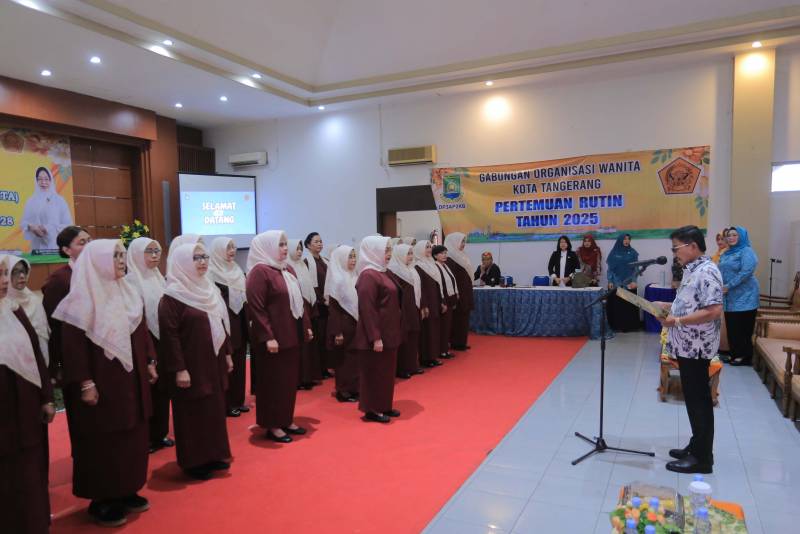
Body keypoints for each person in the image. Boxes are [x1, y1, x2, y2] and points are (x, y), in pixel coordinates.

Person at [52, 239, 157, 527]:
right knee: (104, 441)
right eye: (115, 256)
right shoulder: (80, 300)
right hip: (102, 384)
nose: (122, 260)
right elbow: (72, 349)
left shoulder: (129, 292)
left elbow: (142, 332)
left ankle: (127, 489)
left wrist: (149, 360)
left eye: (122, 255)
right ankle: (103, 499)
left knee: (132, 435)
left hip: (131, 381)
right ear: (97, 262)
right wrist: (85, 383)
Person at [160, 242, 233, 480]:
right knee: (193, 412)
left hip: (213, 360)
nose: (202, 262)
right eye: (196, 258)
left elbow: (220, 323)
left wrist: (227, 354)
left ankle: (214, 454)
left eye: (204, 257)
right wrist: (179, 369)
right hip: (191, 365)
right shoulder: (172, 296)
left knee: (213, 409)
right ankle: (194, 461)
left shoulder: (208, 289)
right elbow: (170, 337)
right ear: (181, 262)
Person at [658, 225, 723, 474]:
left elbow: (713, 310)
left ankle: (702, 459)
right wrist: (667, 306)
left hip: (696, 346)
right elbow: (691, 303)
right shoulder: (692, 270)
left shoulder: (707, 271)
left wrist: (676, 321)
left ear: (693, 246)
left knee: (699, 402)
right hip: (687, 345)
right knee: (694, 399)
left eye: (676, 248)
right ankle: (696, 446)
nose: (674, 253)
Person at [0, 254, 56, 534]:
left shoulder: (14, 310)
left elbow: (35, 353)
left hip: (25, 404)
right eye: (2, 275)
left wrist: (46, 396)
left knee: (30, 469)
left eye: (4, 274)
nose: (5, 281)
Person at [246, 231, 312, 443]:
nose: (284, 248)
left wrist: (306, 326)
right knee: (273, 383)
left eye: (285, 244)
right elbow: (257, 308)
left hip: (291, 334)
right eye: (280, 245)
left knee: (288, 382)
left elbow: (298, 300)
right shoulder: (259, 272)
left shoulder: (287, 269)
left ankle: (286, 419)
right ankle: (272, 424)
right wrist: (268, 336)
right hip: (273, 339)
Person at [125, 237, 174, 454]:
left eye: (157, 251)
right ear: (136, 254)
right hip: (144, 343)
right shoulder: (130, 282)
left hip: (162, 340)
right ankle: (145, 438)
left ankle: (160, 433)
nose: (155, 256)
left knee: (162, 389)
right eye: (149, 251)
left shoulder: (158, 278)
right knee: (147, 391)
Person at [352, 236, 402, 423]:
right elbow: (367, 309)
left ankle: (384, 405)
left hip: (389, 332)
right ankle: (372, 409)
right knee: (374, 372)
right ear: (373, 251)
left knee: (386, 373)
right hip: (375, 335)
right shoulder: (368, 275)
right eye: (385, 250)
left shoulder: (383, 272)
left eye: (390, 250)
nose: (389, 254)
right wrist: (375, 337)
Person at [208, 237, 250, 417]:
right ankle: (226, 403)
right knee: (227, 363)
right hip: (224, 322)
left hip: (239, 320)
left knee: (239, 362)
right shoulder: (211, 273)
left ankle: (238, 400)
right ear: (218, 250)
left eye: (233, 247)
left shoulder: (236, 270)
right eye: (228, 247)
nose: (232, 250)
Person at [42, 226, 91, 379]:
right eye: (82, 242)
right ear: (67, 250)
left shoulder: (99, 273)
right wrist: (58, 363)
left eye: (89, 241)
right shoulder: (60, 279)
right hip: (72, 353)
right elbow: (53, 322)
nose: (89, 246)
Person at [718, 226, 759, 366]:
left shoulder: (746, 251)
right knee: (732, 326)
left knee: (743, 326)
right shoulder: (727, 252)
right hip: (730, 296)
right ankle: (734, 353)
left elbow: (746, 271)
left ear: (741, 236)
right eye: (729, 235)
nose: (731, 238)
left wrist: (728, 286)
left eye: (735, 235)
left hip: (746, 295)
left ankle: (745, 356)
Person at [325, 246, 360, 402]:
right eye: (349, 257)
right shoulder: (337, 280)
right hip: (343, 324)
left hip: (356, 323)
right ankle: (343, 391)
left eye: (354, 256)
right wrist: (337, 332)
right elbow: (334, 310)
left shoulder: (355, 276)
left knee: (355, 358)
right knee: (344, 360)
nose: (353, 260)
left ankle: (355, 388)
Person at [288, 238, 322, 390]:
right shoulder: (287, 267)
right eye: (297, 248)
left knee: (309, 344)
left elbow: (309, 286)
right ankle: (298, 379)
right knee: (300, 344)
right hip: (296, 308)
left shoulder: (302, 265)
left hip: (308, 306)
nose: (300, 251)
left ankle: (308, 376)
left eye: (301, 248)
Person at [387, 243, 424, 379]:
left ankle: (413, 365)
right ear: (400, 255)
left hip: (414, 307)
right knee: (404, 338)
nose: (410, 256)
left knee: (413, 337)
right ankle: (403, 368)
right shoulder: (394, 271)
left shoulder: (412, 269)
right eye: (408, 253)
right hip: (403, 309)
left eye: (411, 253)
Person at [8, 256, 50, 367]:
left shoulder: (34, 300)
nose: (22, 276)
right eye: (15, 272)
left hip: (38, 360)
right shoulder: (3, 304)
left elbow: (43, 336)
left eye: (23, 271)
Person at [21, 166, 73, 251]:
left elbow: (68, 225)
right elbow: (23, 222)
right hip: (36, 247)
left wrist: (48, 228)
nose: (43, 182)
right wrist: (31, 227)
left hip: (55, 247)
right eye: (40, 179)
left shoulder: (59, 200)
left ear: (50, 180)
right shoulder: (31, 201)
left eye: (46, 179)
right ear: (36, 180)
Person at [304, 232, 331, 378]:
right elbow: (310, 285)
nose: (320, 244)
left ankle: (325, 367)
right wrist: (322, 299)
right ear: (308, 245)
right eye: (316, 242)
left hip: (327, 304)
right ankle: (319, 369)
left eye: (321, 241)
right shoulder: (307, 262)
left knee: (326, 337)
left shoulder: (325, 261)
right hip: (318, 305)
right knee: (319, 337)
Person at [414, 240, 443, 368]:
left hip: (435, 301)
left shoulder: (431, 263)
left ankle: (433, 356)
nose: (429, 249)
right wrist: (424, 305)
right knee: (427, 332)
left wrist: (441, 301)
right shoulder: (418, 266)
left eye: (430, 247)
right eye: (426, 247)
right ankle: (426, 358)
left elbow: (437, 285)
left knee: (434, 330)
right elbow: (420, 288)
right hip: (427, 303)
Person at [444, 232, 474, 351]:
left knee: (464, 318)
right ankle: (456, 342)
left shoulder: (462, 255)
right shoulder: (450, 259)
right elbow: (450, 279)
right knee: (457, 318)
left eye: (464, 242)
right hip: (458, 293)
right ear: (454, 242)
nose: (463, 244)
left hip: (466, 291)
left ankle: (462, 341)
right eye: (461, 241)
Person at [606, 233, 641, 332]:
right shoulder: (614, 252)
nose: (627, 241)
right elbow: (610, 269)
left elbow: (636, 268)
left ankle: (629, 326)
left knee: (628, 305)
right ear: (620, 240)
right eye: (624, 239)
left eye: (628, 239)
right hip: (616, 282)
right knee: (617, 305)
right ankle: (616, 326)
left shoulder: (633, 252)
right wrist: (610, 280)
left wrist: (634, 281)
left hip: (629, 282)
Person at [432, 244, 458, 360]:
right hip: (443, 300)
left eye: (445, 253)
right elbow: (438, 285)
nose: (444, 255)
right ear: (435, 256)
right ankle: (441, 351)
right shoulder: (435, 267)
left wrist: (456, 294)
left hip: (450, 298)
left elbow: (452, 281)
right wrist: (442, 302)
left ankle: (445, 349)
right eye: (442, 253)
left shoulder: (446, 266)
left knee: (447, 326)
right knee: (443, 327)